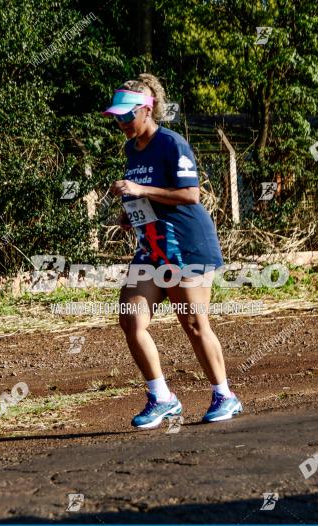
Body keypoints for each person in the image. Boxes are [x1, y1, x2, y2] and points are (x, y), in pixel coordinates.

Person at [101, 73, 242, 429]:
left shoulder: (172, 143)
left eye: (126, 115)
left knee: (193, 323)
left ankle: (225, 395)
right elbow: (143, 190)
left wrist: (140, 189)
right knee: (131, 318)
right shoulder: (132, 148)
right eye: (116, 116)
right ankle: (161, 397)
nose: (120, 123)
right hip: (152, 247)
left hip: (187, 245)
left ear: (146, 111)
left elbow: (190, 195)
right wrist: (127, 210)